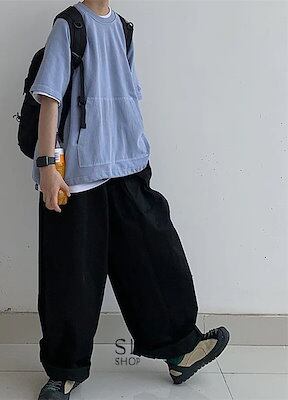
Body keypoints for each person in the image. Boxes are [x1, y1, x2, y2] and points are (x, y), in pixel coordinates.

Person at [29, 1, 230, 399]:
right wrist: (47, 166)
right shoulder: (69, 26)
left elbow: (127, 96)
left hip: (127, 165)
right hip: (77, 174)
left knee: (153, 257)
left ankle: (180, 351)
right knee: (71, 276)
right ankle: (64, 371)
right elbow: (50, 98)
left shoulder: (124, 29)